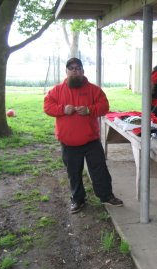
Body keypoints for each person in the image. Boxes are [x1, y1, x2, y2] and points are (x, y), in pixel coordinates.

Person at [44, 57, 123, 214]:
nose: (75, 71)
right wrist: (61, 109)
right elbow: (47, 106)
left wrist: (89, 110)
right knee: (73, 173)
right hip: (68, 142)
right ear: (66, 72)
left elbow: (104, 106)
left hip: (90, 140)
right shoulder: (57, 91)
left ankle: (106, 195)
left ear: (83, 71)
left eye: (78, 68)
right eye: (71, 68)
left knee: (100, 170)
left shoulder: (93, 90)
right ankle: (77, 200)